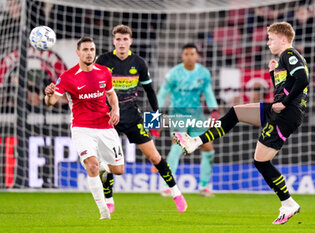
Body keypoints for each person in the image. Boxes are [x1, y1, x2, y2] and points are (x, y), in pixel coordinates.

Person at [174, 22, 309, 224]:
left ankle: (289, 203)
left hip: (286, 113)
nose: (267, 42)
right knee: (236, 114)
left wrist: (284, 103)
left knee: (261, 161)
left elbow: (303, 79)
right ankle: (195, 141)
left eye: (270, 38)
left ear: (283, 39)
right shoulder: (282, 59)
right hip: (281, 110)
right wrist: (274, 75)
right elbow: (285, 87)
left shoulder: (289, 54)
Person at [95, 24, 187, 213]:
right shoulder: (103, 60)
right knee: (109, 160)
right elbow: (94, 87)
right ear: (114, 41)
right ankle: (109, 199)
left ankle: (176, 192)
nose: (122, 43)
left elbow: (150, 91)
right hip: (109, 118)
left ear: (131, 41)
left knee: (154, 156)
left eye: (125, 39)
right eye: (118, 39)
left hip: (132, 117)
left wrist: (156, 116)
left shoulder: (139, 63)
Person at [44, 36, 125, 220]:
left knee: (119, 169)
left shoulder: (104, 72)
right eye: (86, 50)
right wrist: (48, 95)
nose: (89, 53)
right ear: (78, 53)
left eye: (92, 50)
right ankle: (103, 211)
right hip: (82, 128)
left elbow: (111, 95)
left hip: (105, 126)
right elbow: (51, 102)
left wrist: (116, 109)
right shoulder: (67, 76)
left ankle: (105, 167)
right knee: (93, 166)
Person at [157, 43, 219, 197]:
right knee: (178, 146)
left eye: (192, 54)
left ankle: (203, 186)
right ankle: (168, 186)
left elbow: (208, 91)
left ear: (197, 56)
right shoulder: (174, 74)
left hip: (196, 114)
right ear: (182, 56)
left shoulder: (204, 73)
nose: (190, 56)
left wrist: (214, 109)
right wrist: (155, 113)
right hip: (178, 113)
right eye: (187, 54)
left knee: (208, 148)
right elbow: (163, 93)